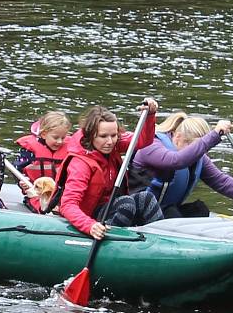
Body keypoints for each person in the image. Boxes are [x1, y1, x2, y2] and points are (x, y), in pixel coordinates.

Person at [131, 112, 233, 218]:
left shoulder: (198, 158)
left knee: (199, 210)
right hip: (137, 211)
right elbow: (176, 161)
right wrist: (215, 134)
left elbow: (222, 182)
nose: (197, 153)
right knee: (173, 214)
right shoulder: (151, 146)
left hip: (164, 211)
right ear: (177, 137)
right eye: (195, 147)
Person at [59, 102, 163, 240]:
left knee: (146, 198)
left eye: (114, 135)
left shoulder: (112, 145)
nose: (110, 142)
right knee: (126, 203)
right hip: (88, 216)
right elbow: (68, 205)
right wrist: (89, 226)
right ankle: (111, 242)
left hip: (108, 207)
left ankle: (160, 241)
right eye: (103, 136)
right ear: (91, 136)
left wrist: (150, 115)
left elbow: (143, 140)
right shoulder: (80, 164)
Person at [14, 111, 72, 212]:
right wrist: (22, 181)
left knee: (66, 205)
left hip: (60, 194)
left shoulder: (69, 150)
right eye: (56, 137)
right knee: (40, 206)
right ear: (44, 134)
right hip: (37, 192)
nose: (60, 141)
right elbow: (18, 168)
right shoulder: (30, 151)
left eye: (63, 138)